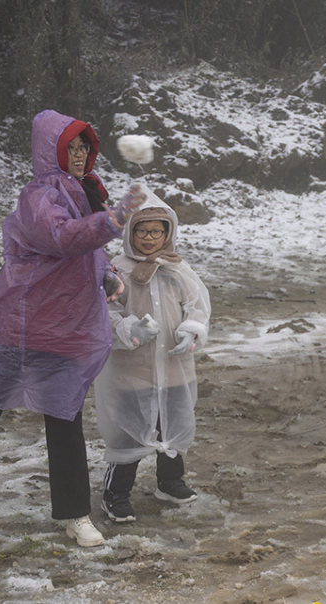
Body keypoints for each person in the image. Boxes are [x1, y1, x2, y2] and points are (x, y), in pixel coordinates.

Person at [0, 109, 145, 547]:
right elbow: (63, 238)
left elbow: (86, 252)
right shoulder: (38, 196)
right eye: (70, 145)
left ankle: (74, 515)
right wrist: (113, 221)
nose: (79, 153)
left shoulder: (88, 190)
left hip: (67, 327)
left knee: (64, 417)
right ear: (49, 149)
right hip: (21, 323)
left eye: (84, 145)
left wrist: (106, 273)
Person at [94, 188, 210, 523]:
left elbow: (198, 306)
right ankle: (116, 494)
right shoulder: (116, 270)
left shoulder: (178, 269)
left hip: (174, 368)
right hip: (131, 371)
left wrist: (192, 329)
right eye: (142, 231)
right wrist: (127, 328)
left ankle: (170, 481)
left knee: (171, 425)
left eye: (156, 231)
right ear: (131, 233)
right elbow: (104, 310)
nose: (149, 238)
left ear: (167, 233)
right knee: (129, 431)